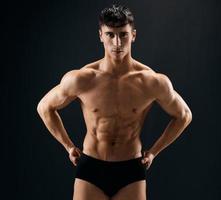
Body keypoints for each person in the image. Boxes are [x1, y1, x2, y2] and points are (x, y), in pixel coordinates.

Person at [37, 3, 192, 200]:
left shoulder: (151, 81)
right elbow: (44, 107)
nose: (117, 43)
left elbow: (184, 115)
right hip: (91, 168)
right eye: (110, 34)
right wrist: (68, 146)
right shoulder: (83, 79)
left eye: (123, 34)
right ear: (101, 35)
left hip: (130, 170)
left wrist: (153, 152)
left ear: (133, 35)